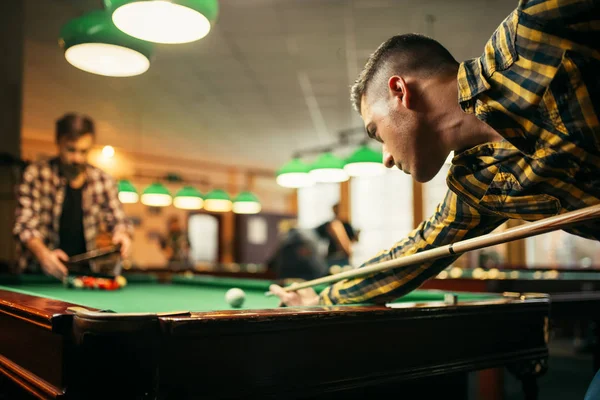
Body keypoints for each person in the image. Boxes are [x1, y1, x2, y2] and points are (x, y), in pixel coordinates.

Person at [270, 0, 599, 306]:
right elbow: (413, 255)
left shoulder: (534, 29)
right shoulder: (477, 184)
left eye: (376, 133)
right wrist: (324, 300)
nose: (385, 157)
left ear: (400, 92)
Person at [13, 113, 132, 280]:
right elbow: (24, 226)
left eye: (84, 151)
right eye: (71, 150)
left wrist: (122, 234)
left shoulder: (103, 180)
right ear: (58, 142)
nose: (77, 158)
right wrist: (44, 254)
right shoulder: (36, 175)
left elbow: (119, 221)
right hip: (38, 275)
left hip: (85, 277)